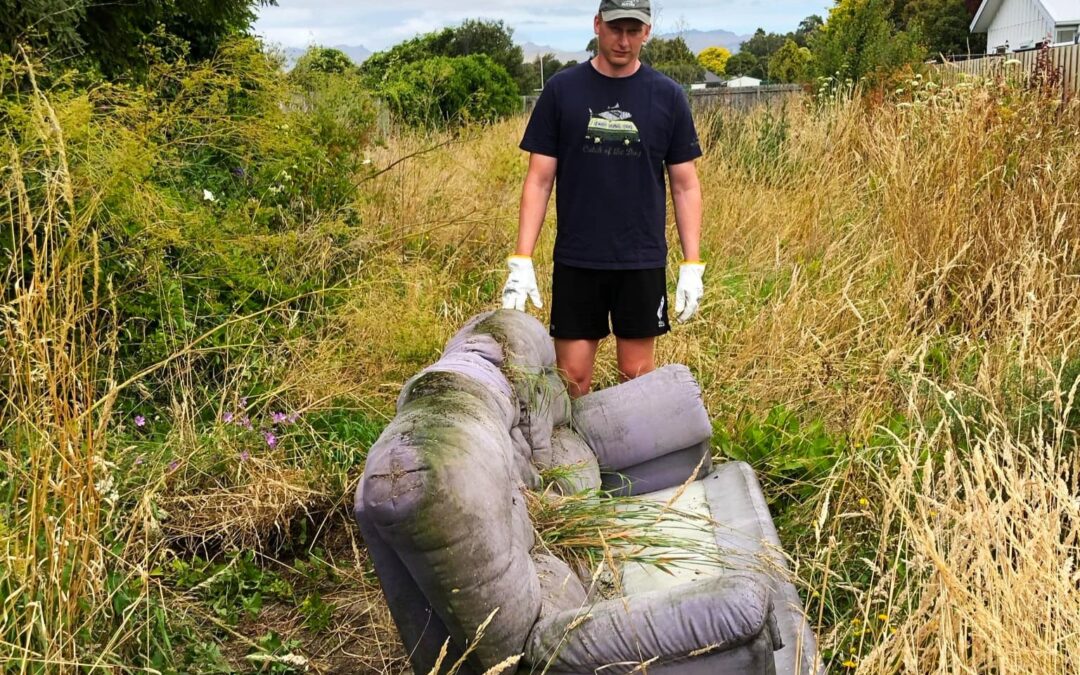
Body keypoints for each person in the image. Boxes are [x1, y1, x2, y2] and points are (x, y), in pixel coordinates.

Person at [501, 0, 705, 398]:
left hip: (640, 258)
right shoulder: (563, 90)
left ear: (647, 31)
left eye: (633, 30)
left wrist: (692, 263)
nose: (623, 41)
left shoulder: (667, 96)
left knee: (637, 375)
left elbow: (685, 184)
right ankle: (575, 460)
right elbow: (539, 179)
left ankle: (630, 459)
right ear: (597, 25)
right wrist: (522, 259)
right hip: (578, 258)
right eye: (615, 29)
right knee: (572, 379)